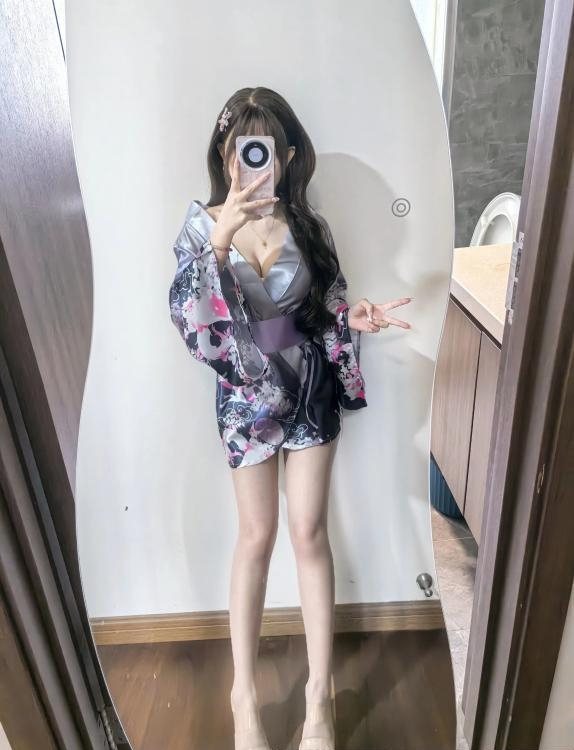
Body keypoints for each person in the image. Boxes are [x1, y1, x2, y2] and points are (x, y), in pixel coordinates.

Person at [168, 86, 412, 750]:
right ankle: (243, 697)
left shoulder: (309, 226)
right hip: (246, 402)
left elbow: (323, 308)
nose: (249, 164)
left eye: (264, 151)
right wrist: (219, 243)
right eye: (239, 150)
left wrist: (353, 318)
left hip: (308, 392)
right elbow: (196, 330)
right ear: (224, 154)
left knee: (308, 532)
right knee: (256, 536)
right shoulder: (199, 228)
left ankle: (319, 698)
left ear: (289, 156)